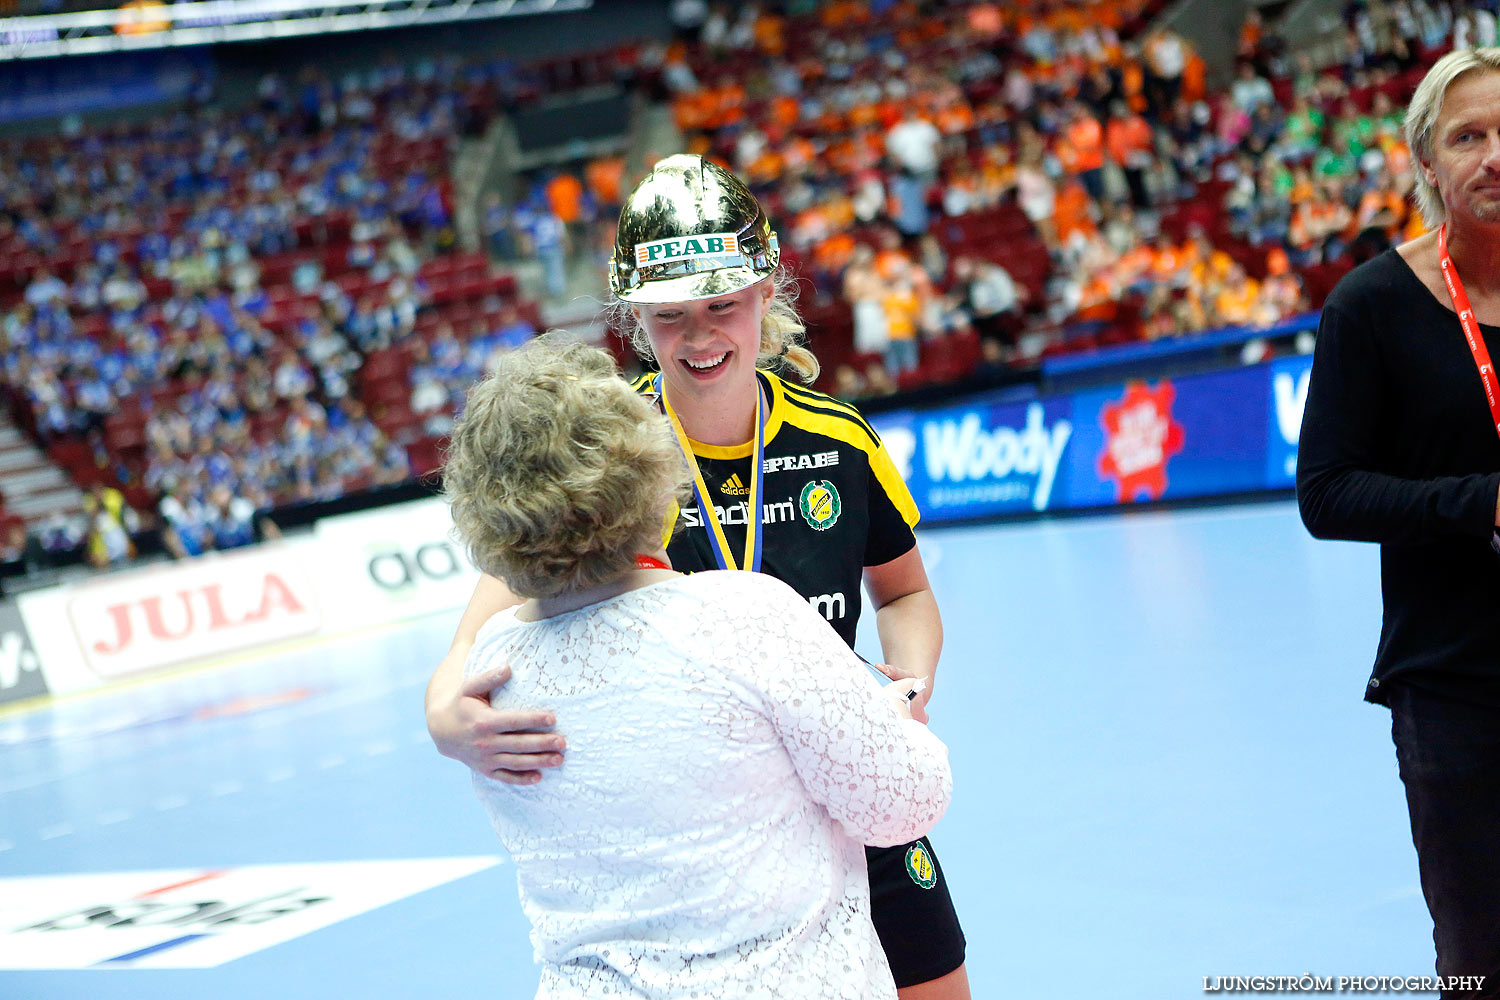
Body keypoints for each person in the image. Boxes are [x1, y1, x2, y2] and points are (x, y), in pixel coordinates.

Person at [427, 154, 971, 999]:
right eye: (671, 316)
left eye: (722, 305)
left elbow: (901, 591)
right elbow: (479, 629)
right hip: (724, 833)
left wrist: (912, 679)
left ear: (765, 294)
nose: (701, 335)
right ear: (635, 320)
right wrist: (443, 716)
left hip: (852, 779)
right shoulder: (602, 445)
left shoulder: (839, 438)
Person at [1297, 48, 1500, 998]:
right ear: (1427, 162)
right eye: (1470, 137)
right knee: (1480, 960)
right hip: (1457, 690)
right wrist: (1481, 502)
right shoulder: (1372, 307)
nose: (1495, 155)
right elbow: (1327, 494)